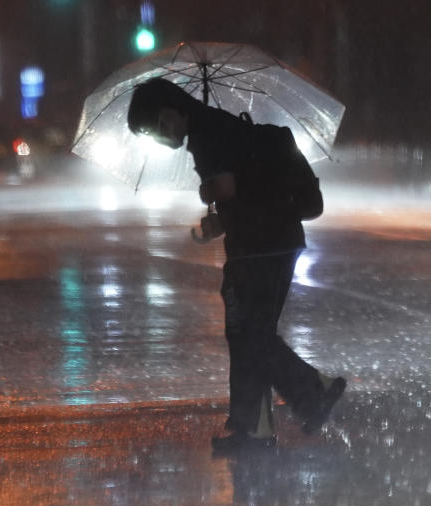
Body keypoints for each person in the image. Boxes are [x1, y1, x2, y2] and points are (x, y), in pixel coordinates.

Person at [127, 77, 345, 452]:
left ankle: (314, 390)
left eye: (157, 132)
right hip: (272, 241)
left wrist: (209, 191)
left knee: (251, 334)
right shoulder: (217, 126)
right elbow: (245, 195)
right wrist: (216, 223)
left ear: (168, 115)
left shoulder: (207, 133)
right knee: (247, 335)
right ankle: (255, 428)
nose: (162, 141)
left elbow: (228, 190)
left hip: (261, 247)